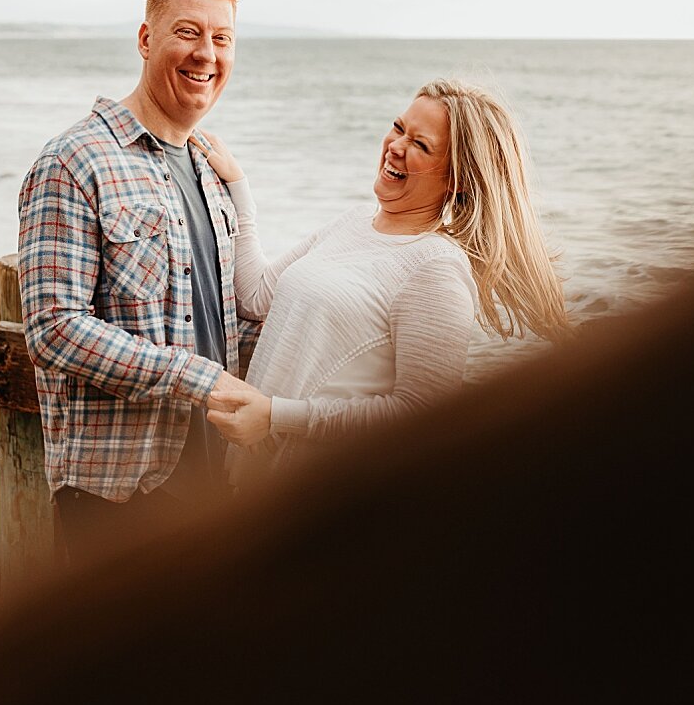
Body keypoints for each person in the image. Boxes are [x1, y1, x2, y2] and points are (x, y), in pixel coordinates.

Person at [199, 79, 572, 473]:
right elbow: (255, 296)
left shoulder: (435, 268)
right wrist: (239, 192)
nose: (395, 146)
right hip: (254, 481)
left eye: (421, 144)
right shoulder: (354, 220)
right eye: (398, 128)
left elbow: (421, 416)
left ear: (456, 180)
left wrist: (276, 416)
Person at [17, 0, 257, 566]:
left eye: (221, 38)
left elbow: (222, 312)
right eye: (187, 32)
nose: (206, 53)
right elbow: (54, 328)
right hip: (122, 494)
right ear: (146, 38)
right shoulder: (74, 160)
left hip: (215, 479)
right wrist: (199, 379)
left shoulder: (209, 168)